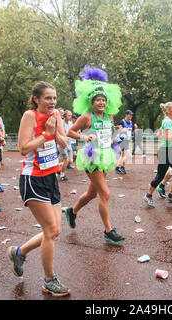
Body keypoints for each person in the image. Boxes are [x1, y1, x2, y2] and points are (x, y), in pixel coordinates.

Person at [7, 81, 71, 297]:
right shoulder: (30, 116)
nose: (52, 102)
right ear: (37, 99)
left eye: (54, 98)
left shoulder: (57, 115)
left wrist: (56, 131)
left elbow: (62, 143)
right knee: (51, 231)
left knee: (54, 231)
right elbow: (23, 148)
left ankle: (19, 252)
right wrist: (46, 134)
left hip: (51, 178)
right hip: (32, 179)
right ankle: (50, 280)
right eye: (48, 98)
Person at [62, 65, 125, 246]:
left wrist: (115, 138)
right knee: (105, 193)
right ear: (92, 101)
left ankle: (72, 212)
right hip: (91, 157)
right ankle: (108, 231)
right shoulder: (86, 117)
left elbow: (110, 134)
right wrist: (84, 136)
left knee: (92, 193)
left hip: (106, 155)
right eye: (98, 100)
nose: (101, 103)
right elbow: (70, 132)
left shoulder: (109, 117)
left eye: (104, 101)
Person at [143, 101, 172, 208]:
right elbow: (168, 138)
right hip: (167, 151)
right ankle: (153, 195)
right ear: (168, 111)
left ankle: (158, 195)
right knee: (171, 174)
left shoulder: (167, 121)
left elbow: (159, 135)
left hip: (167, 150)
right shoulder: (167, 121)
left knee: (163, 175)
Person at [115, 110, 135, 174]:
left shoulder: (131, 123)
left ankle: (117, 168)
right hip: (121, 140)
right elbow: (119, 130)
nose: (131, 116)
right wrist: (124, 129)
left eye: (131, 115)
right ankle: (121, 167)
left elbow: (132, 131)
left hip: (126, 140)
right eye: (130, 115)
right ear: (126, 115)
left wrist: (134, 131)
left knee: (122, 155)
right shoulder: (122, 121)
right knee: (128, 155)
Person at [58, 110, 74, 181]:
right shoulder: (61, 123)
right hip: (62, 144)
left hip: (69, 144)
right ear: (65, 116)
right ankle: (62, 175)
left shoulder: (70, 123)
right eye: (69, 115)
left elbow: (72, 131)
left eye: (71, 115)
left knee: (70, 161)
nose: (70, 117)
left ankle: (57, 166)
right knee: (66, 160)